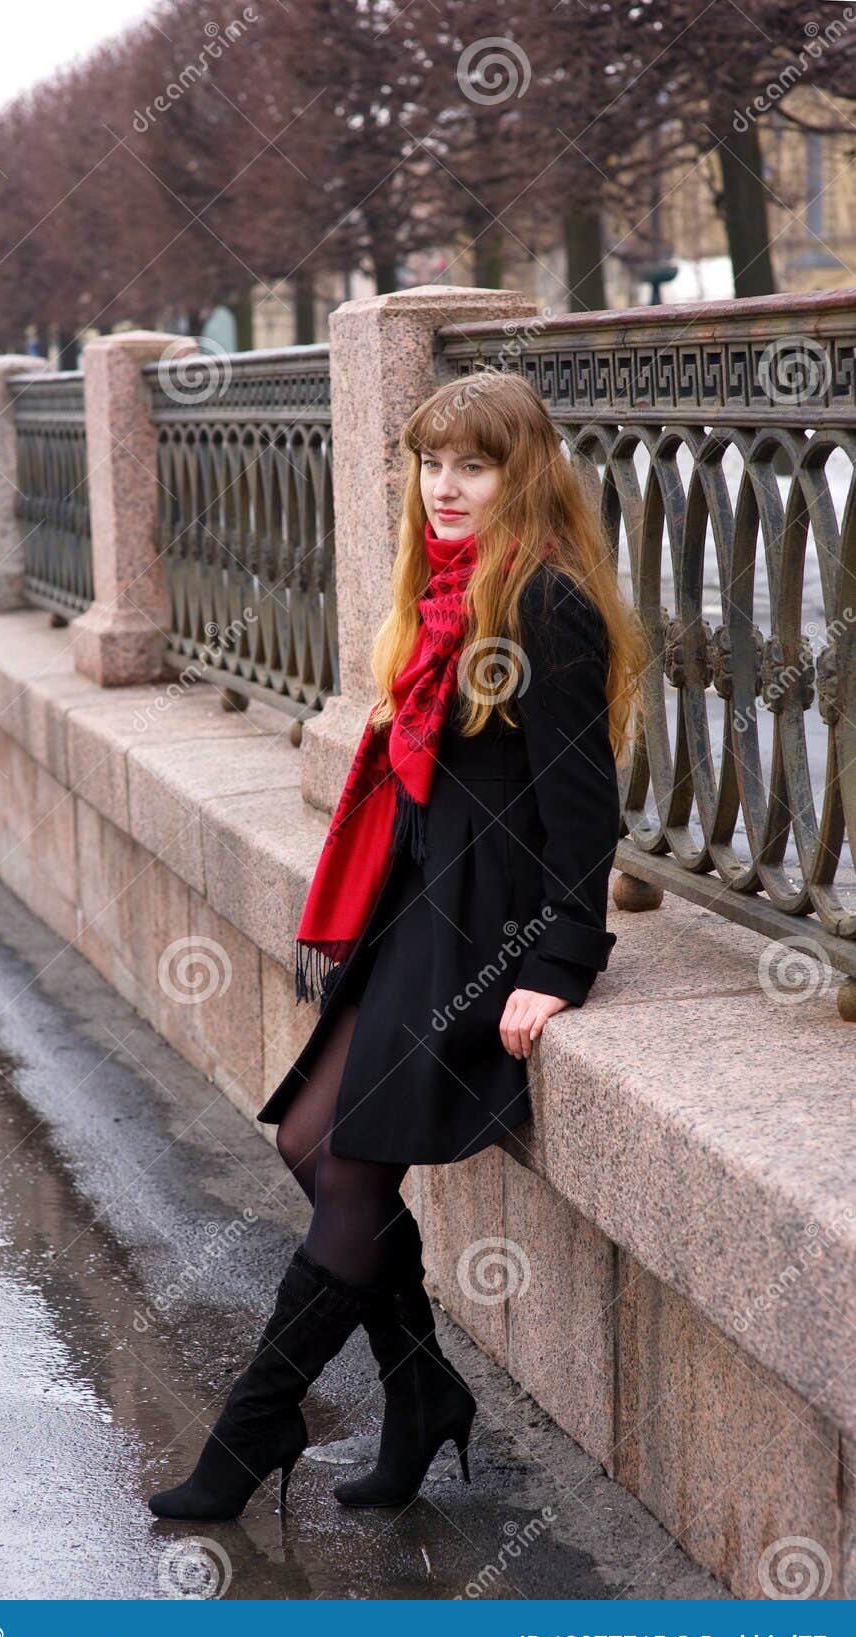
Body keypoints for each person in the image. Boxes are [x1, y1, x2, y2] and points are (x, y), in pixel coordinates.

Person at [148, 371, 645, 1522]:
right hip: (421, 904)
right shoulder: (446, 596)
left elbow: (582, 804)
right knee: (307, 1142)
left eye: (473, 465)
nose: (445, 487)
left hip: (490, 922)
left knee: (350, 1163)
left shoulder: (543, 604)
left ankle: (250, 1432)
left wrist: (556, 966)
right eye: (430, 463)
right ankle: (420, 1397)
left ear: (521, 475)